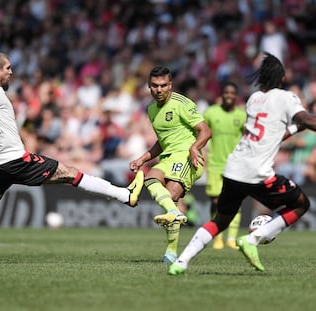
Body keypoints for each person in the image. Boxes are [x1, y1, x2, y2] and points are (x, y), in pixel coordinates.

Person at [0, 51, 144, 265]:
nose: (11, 72)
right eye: (8, 68)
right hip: (13, 160)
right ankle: (125, 195)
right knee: (70, 172)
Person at [164, 52, 316, 275]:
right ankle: (254, 238)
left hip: (233, 168)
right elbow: (306, 119)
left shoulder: (253, 100)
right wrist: (301, 123)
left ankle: (181, 261)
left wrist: (295, 129)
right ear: (281, 78)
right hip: (258, 173)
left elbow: (273, 135)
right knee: (301, 204)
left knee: (221, 219)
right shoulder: (286, 98)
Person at [129, 66, 212, 264]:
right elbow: (162, 141)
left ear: (170, 85)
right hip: (167, 157)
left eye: (163, 85)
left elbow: (205, 131)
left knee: (171, 195)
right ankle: (172, 248)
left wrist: (194, 148)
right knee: (151, 179)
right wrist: (143, 158)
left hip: (187, 157)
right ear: (149, 86)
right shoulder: (151, 110)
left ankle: (172, 241)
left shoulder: (182, 103)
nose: (159, 90)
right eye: (155, 86)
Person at [203, 81, 246, 250]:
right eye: (226, 92)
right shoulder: (211, 113)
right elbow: (201, 133)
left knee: (236, 202)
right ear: (222, 94)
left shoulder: (242, 116)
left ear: (236, 96)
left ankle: (231, 239)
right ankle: (217, 236)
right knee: (216, 201)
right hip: (215, 164)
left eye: (232, 93)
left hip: (235, 165)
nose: (229, 96)